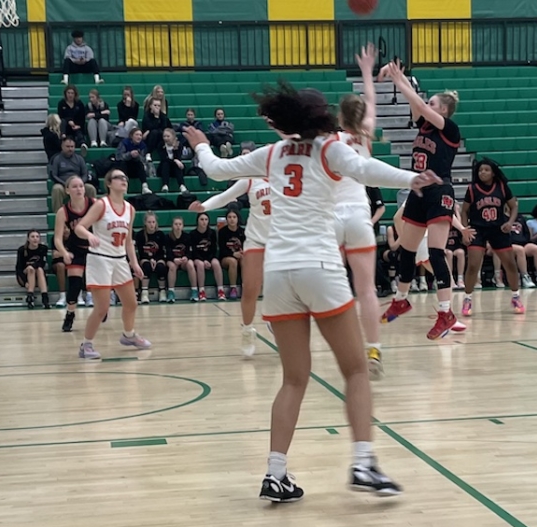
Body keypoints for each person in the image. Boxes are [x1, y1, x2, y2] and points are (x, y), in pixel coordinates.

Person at [184, 84, 439, 503]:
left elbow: (215, 169)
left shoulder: (272, 154)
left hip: (278, 274)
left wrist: (200, 144)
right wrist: (412, 178)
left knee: (293, 379)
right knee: (356, 370)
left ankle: (275, 474)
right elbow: (367, 170)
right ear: (319, 117)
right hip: (318, 268)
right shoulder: (328, 149)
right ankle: (363, 463)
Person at [378, 59, 464, 340]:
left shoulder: (449, 129)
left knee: (436, 253)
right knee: (406, 251)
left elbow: (420, 105)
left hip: (440, 192)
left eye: (433, 103)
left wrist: (399, 80)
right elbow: (415, 104)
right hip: (419, 191)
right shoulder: (424, 127)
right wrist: (398, 77)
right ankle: (401, 300)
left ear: (444, 110)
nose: (428, 105)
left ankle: (446, 313)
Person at [333, 44, 390, 379]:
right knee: (366, 289)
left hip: (331, 218)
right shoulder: (366, 136)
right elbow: (371, 102)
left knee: (332, 286)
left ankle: (344, 348)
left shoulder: (329, 141)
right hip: (359, 215)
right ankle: (374, 351)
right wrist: (367, 70)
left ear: (339, 118)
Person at [188, 140, 271, 357]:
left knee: (282, 288)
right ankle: (247, 330)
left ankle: (275, 319)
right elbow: (225, 197)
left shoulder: (287, 178)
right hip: (256, 240)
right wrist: (204, 206)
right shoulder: (251, 179)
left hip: (280, 241)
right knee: (250, 289)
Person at [72, 169, 150, 360]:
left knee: (131, 303)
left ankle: (129, 335)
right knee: (102, 308)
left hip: (120, 259)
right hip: (100, 259)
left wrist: (134, 263)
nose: (123, 180)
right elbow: (79, 227)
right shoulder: (101, 205)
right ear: (108, 183)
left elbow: (128, 240)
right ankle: (86, 345)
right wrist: (89, 235)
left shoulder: (130, 209)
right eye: (118, 178)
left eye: (125, 178)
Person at [460, 158, 524, 317]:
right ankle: (467, 299)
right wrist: (465, 229)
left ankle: (516, 296)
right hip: (478, 229)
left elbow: (513, 206)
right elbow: (464, 211)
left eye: (486, 170)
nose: (483, 172)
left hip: (498, 229)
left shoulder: (502, 187)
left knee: (510, 264)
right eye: (480, 170)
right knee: (473, 265)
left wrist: (510, 222)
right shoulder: (472, 189)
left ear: (493, 173)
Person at [53, 175, 95, 332]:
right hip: (75, 249)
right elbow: (57, 238)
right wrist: (64, 252)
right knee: (75, 285)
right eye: (75, 186)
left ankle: (101, 308)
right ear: (67, 190)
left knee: (98, 284)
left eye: (81, 186)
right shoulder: (63, 211)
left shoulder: (94, 204)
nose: (79, 189)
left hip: (94, 249)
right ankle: (70, 315)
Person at [49, 137, 97, 210]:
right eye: (68, 147)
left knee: (90, 188)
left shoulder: (79, 159)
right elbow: (54, 175)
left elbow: (85, 174)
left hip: (78, 185)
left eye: (72, 147)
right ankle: (58, 213)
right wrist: (66, 184)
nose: (70, 149)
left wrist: (80, 184)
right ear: (62, 146)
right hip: (63, 185)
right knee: (56, 189)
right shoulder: (56, 159)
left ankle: (93, 212)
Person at [189, 212, 224, 302]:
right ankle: (201, 290)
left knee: (216, 263)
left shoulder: (212, 233)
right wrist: (203, 260)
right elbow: (194, 251)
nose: (204, 222)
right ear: (197, 221)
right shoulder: (192, 234)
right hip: (198, 257)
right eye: (201, 219)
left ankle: (220, 290)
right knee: (200, 264)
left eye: (206, 219)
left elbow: (213, 249)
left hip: (209, 257)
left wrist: (208, 260)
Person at [135, 211, 167, 303]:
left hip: (158, 258)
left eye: (153, 222)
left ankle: (162, 291)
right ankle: (144, 292)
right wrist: (150, 259)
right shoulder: (140, 235)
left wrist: (155, 260)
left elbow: (161, 252)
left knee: (161, 267)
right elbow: (141, 252)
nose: (151, 224)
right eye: (149, 222)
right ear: (145, 223)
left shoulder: (160, 234)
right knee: (146, 266)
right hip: (145, 258)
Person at [16, 230, 50, 309]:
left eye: (37, 237)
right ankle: (30, 296)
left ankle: (44, 298)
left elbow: (42, 263)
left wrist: (32, 266)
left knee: (39, 269)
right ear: (28, 239)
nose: (35, 239)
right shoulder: (22, 250)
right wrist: (25, 282)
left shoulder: (43, 248)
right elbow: (19, 268)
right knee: (31, 269)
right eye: (32, 237)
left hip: (39, 276)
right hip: (25, 276)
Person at [163, 217, 193, 304]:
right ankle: (171, 292)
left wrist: (186, 257)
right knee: (172, 267)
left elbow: (190, 251)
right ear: (172, 226)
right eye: (176, 224)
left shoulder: (187, 236)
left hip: (183, 260)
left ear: (183, 226)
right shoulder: (168, 237)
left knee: (190, 264)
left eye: (180, 224)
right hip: (172, 259)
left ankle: (194, 290)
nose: (178, 226)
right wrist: (173, 259)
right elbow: (167, 252)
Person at [218, 208, 245, 301]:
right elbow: (222, 249)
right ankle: (233, 288)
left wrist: (242, 252)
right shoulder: (222, 232)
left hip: (240, 256)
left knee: (244, 260)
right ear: (226, 219)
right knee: (233, 261)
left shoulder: (242, 231)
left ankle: (245, 287)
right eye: (229, 217)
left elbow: (246, 246)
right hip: (226, 258)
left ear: (237, 218)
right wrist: (233, 254)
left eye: (234, 217)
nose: (232, 219)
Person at [508, 216, 537, 288]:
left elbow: (526, 233)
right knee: (520, 250)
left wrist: (524, 241)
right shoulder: (501, 217)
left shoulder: (521, 218)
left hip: (523, 243)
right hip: (508, 244)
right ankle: (525, 277)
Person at [115, 127, 151, 194]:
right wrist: (130, 154)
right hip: (125, 168)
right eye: (137, 135)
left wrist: (137, 156)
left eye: (140, 135)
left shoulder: (143, 145)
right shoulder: (124, 143)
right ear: (131, 136)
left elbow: (143, 160)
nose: (139, 137)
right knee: (123, 163)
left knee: (139, 164)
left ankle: (145, 186)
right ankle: (124, 187)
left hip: (136, 169)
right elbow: (119, 157)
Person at [156, 128, 187, 193]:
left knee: (176, 166)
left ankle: (182, 185)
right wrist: (175, 160)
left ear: (173, 137)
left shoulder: (179, 145)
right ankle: (165, 185)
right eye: (164, 136)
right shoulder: (161, 145)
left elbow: (178, 157)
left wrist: (174, 149)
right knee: (166, 163)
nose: (166, 138)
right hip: (164, 168)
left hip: (175, 169)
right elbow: (163, 158)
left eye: (168, 136)